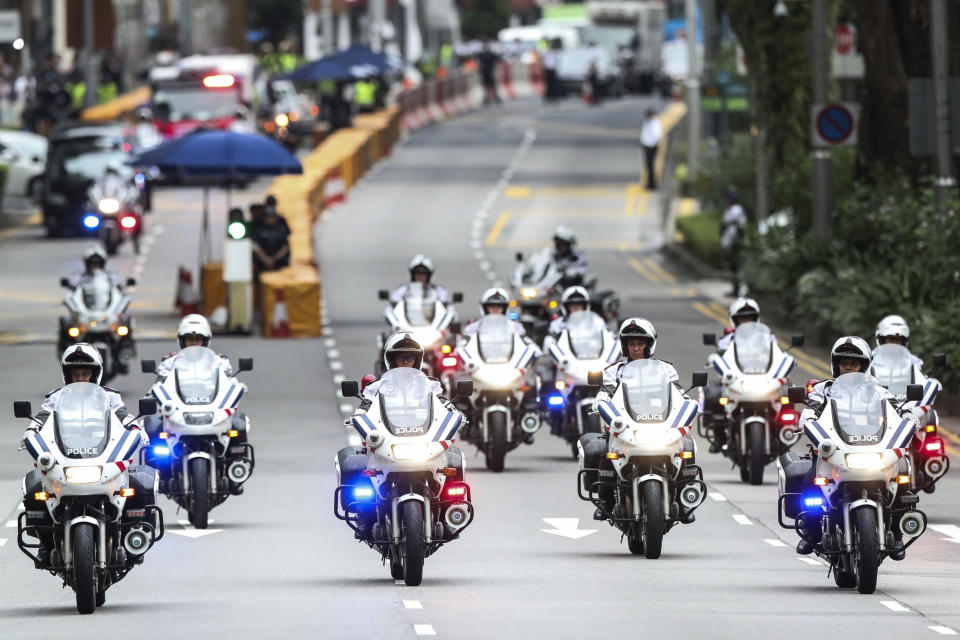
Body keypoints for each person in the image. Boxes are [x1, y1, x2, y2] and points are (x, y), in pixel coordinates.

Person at [21, 344, 147, 566]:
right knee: (33, 491)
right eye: (75, 373)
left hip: (102, 457)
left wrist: (138, 430)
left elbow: (126, 419)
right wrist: (30, 433)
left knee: (138, 487)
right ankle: (46, 543)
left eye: (85, 373)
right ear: (67, 375)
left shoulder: (110, 398)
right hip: (66, 459)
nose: (80, 378)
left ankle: (133, 539)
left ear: (95, 374)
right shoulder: (55, 399)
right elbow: (38, 422)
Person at [791, 336, 908, 558]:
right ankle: (811, 532)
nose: (848, 367)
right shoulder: (823, 390)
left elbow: (896, 409)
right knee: (809, 482)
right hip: (835, 450)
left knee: (902, 473)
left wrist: (908, 415)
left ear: (863, 366)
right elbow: (811, 411)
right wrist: (807, 421)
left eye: (853, 363)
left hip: (873, 447)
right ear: (836, 364)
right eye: (844, 362)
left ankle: (896, 532)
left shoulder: (878, 390)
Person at [156, 314, 233, 379]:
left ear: (205, 340)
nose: (193, 342)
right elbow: (158, 386)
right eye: (189, 338)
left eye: (198, 339)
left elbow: (230, 384)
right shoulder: (169, 362)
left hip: (212, 397)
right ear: (182, 340)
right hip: (176, 397)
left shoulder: (219, 362)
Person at [720, 191, 747, 297]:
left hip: (735, 243)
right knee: (733, 267)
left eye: (727, 199)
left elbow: (733, 228)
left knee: (736, 267)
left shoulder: (736, 210)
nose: (725, 201)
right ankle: (735, 289)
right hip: (730, 244)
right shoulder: (730, 210)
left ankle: (737, 290)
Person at [252, 206, 291, 273]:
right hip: (262, 263)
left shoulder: (281, 229)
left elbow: (286, 246)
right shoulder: (259, 229)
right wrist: (266, 260)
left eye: (272, 217)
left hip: (279, 263)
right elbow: (256, 246)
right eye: (268, 217)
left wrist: (275, 259)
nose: (270, 219)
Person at [639, 109, 662, 189]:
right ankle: (650, 183)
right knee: (648, 166)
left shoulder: (655, 123)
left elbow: (657, 134)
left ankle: (652, 184)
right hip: (647, 145)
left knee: (651, 165)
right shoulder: (646, 122)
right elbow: (644, 134)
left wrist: (653, 144)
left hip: (652, 146)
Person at [476, 38, 501, 105]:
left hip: (490, 71)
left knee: (492, 85)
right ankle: (487, 97)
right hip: (484, 72)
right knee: (485, 86)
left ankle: (495, 97)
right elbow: (478, 63)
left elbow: (497, 62)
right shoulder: (480, 54)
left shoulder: (491, 54)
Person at [542, 39, 560, 103]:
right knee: (548, 84)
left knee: (554, 84)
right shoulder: (546, 51)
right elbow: (543, 57)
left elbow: (557, 60)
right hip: (548, 69)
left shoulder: (555, 52)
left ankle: (554, 96)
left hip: (553, 69)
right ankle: (548, 96)